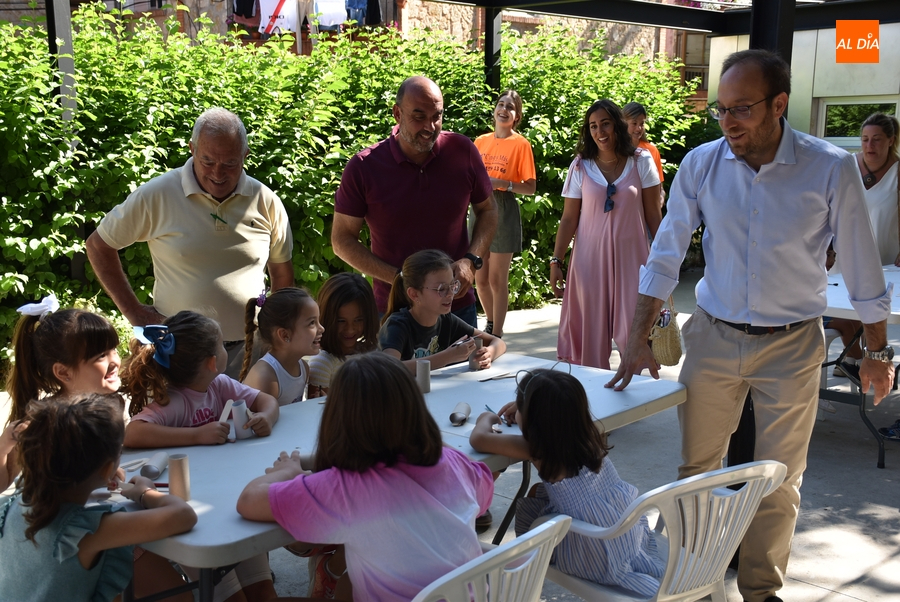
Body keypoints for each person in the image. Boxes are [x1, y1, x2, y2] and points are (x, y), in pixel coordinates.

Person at [607, 49, 893, 602]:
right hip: (713, 336)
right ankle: (693, 582)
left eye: (742, 109)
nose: (728, 121)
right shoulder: (701, 163)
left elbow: (861, 265)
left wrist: (876, 354)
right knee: (696, 470)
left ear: (779, 104)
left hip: (792, 344)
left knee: (780, 477)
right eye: (722, 109)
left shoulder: (830, 167)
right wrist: (637, 335)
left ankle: (762, 591)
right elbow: (666, 253)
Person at [236, 352, 494, 601]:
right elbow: (483, 492)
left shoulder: (347, 489)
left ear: (338, 421)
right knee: (351, 579)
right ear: (416, 410)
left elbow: (248, 500)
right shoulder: (456, 465)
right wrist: (429, 437)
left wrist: (286, 472)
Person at [85, 107, 295, 379]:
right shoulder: (158, 194)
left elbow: (282, 275)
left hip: (250, 352)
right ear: (192, 149)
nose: (218, 173)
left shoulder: (265, 201)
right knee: (178, 422)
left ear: (245, 156)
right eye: (207, 161)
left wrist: (275, 335)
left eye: (230, 163)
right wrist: (135, 313)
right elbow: (98, 245)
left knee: (248, 421)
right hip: (178, 354)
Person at [120, 310, 280, 601]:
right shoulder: (174, 400)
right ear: (212, 361)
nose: (225, 348)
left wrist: (267, 417)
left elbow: (265, 400)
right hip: (195, 522)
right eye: (221, 343)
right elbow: (134, 432)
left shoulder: (219, 385)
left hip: (229, 507)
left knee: (264, 592)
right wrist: (196, 435)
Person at [469, 369, 665, 597]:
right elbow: (557, 410)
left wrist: (488, 418)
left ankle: (529, 565)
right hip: (621, 529)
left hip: (592, 549)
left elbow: (479, 439)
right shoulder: (587, 435)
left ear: (533, 419)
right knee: (537, 493)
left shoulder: (538, 448)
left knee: (533, 502)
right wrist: (525, 409)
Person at [331, 76, 498, 328]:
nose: (430, 126)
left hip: (456, 307)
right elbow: (341, 240)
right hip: (394, 310)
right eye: (419, 116)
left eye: (437, 116)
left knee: (464, 369)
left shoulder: (462, 151)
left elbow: (488, 209)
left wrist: (470, 260)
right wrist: (400, 280)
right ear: (397, 113)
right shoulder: (364, 167)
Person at [0, 393, 197, 602]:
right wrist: (145, 493)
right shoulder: (81, 531)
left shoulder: (15, 502)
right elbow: (184, 515)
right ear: (106, 469)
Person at [551, 99, 662, 370]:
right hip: (589, 264)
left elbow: (653, 215)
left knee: (634, 334)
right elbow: (568, 219)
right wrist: (556, 261)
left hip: (633, 263)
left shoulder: (641, 161)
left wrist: (663, 262)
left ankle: (633, 402)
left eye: (605, 124)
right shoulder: (580, 166)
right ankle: (594, 403)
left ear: (617, 125)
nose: (600, 132)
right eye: (593, 126)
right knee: (591, 339)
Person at [2, 296, 120, 492]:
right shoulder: (43, 422)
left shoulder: (113, 404)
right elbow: (9, 486)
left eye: (113, 350)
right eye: (101, 356)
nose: (115, 361)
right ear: (64, 372)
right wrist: (4, 445)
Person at [472, 90, 537, 338]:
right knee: (480, 277)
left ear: (516, 116)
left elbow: (530, 187)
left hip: (503, 207)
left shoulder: (521, 144)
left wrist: (503, 182)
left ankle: (496, 334)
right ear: (494, 110)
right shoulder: (480, 141)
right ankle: (490, 322)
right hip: (478, 207)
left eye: (510, 107)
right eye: (501, 104)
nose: (504, 109)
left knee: (498, 279)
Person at [378, 249, 506, 373]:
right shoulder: (397, 325)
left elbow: (498, 342)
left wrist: (489, 353)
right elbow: (390, 368)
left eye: (453, 285)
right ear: (414, 294)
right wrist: (447, 357)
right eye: (441, 288)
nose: (450, 294)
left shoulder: (446, 320)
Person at [239, 288, 324, 405]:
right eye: (312, 323)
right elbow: (253, 422)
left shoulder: (303, 368)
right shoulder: (266, 377)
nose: (321, 329)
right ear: (285, 335)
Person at [307, 273, 379, 398]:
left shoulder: (374, 352)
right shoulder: (322, 363)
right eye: (341, 321)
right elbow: (317, 411)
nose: (350, 329)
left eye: (358, 320)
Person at [622, 102, 666, 206]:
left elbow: (660, 188)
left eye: (642, 124)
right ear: (623, 123)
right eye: (634, 123)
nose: (639, 128)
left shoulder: (652, 151)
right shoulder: (616, 150)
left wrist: (660, 198)